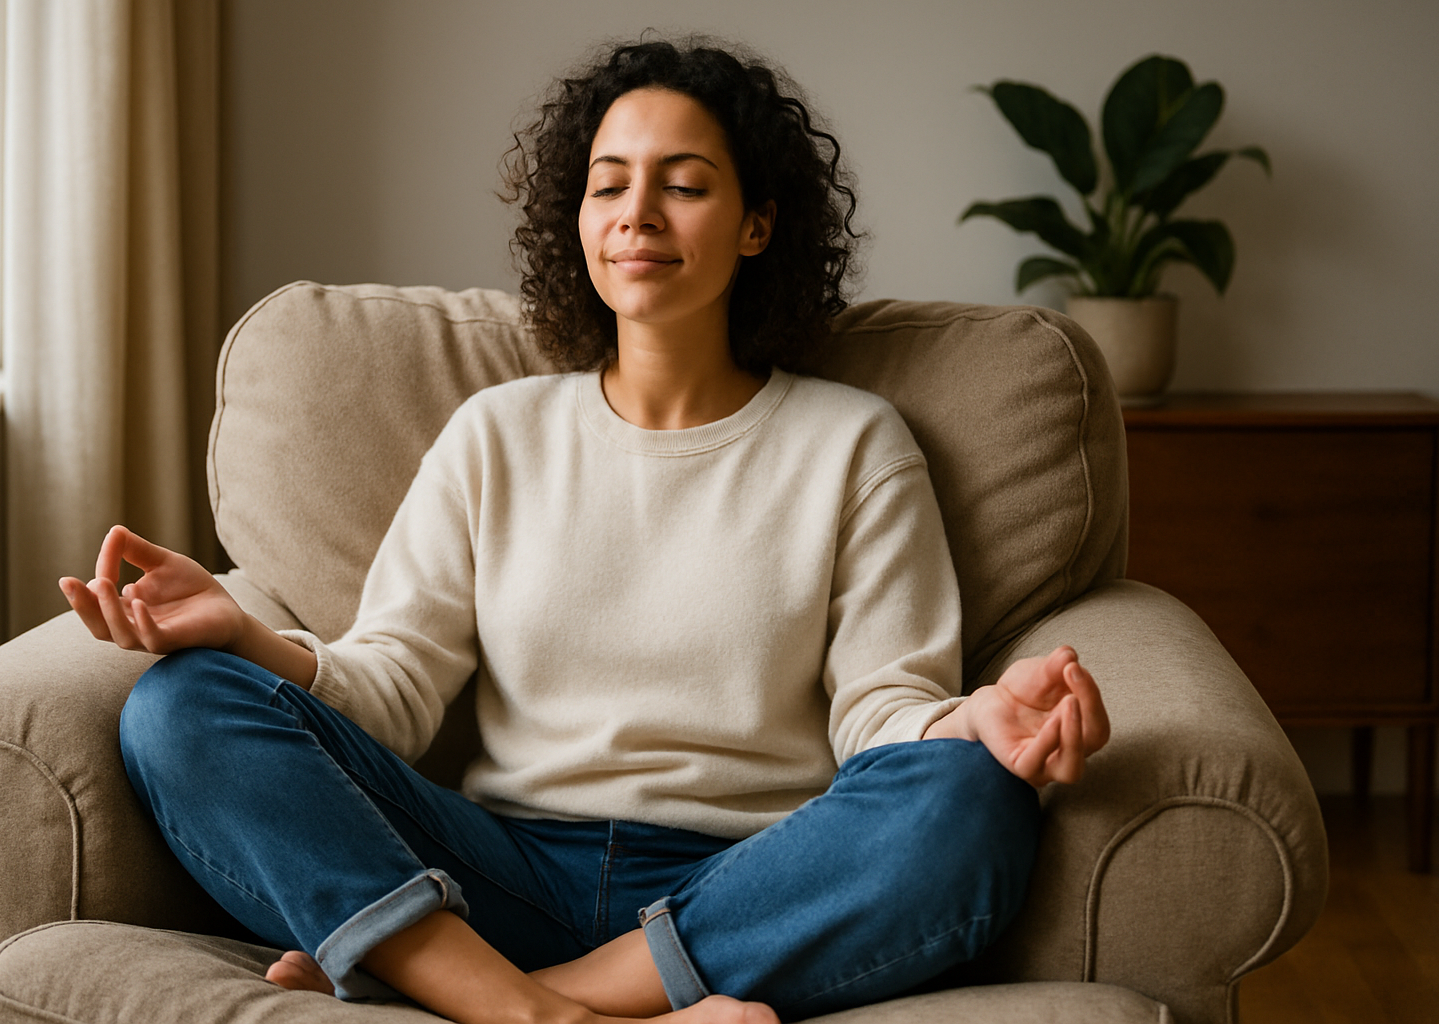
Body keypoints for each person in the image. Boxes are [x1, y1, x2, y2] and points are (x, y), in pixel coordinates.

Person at [59, 38, 1108, 1024]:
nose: (637, 212)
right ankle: (534, 1008)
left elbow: (884, 707)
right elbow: (392, 688)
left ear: (757, 224)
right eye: (609, 184)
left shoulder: (854, 444)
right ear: (578, 219)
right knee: (180, 707)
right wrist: (234, 628)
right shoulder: (495, 435)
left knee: (973, 798)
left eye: (684, 184)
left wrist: (974, 726)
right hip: (494, 871)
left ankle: (487, 988)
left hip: (747, 882)